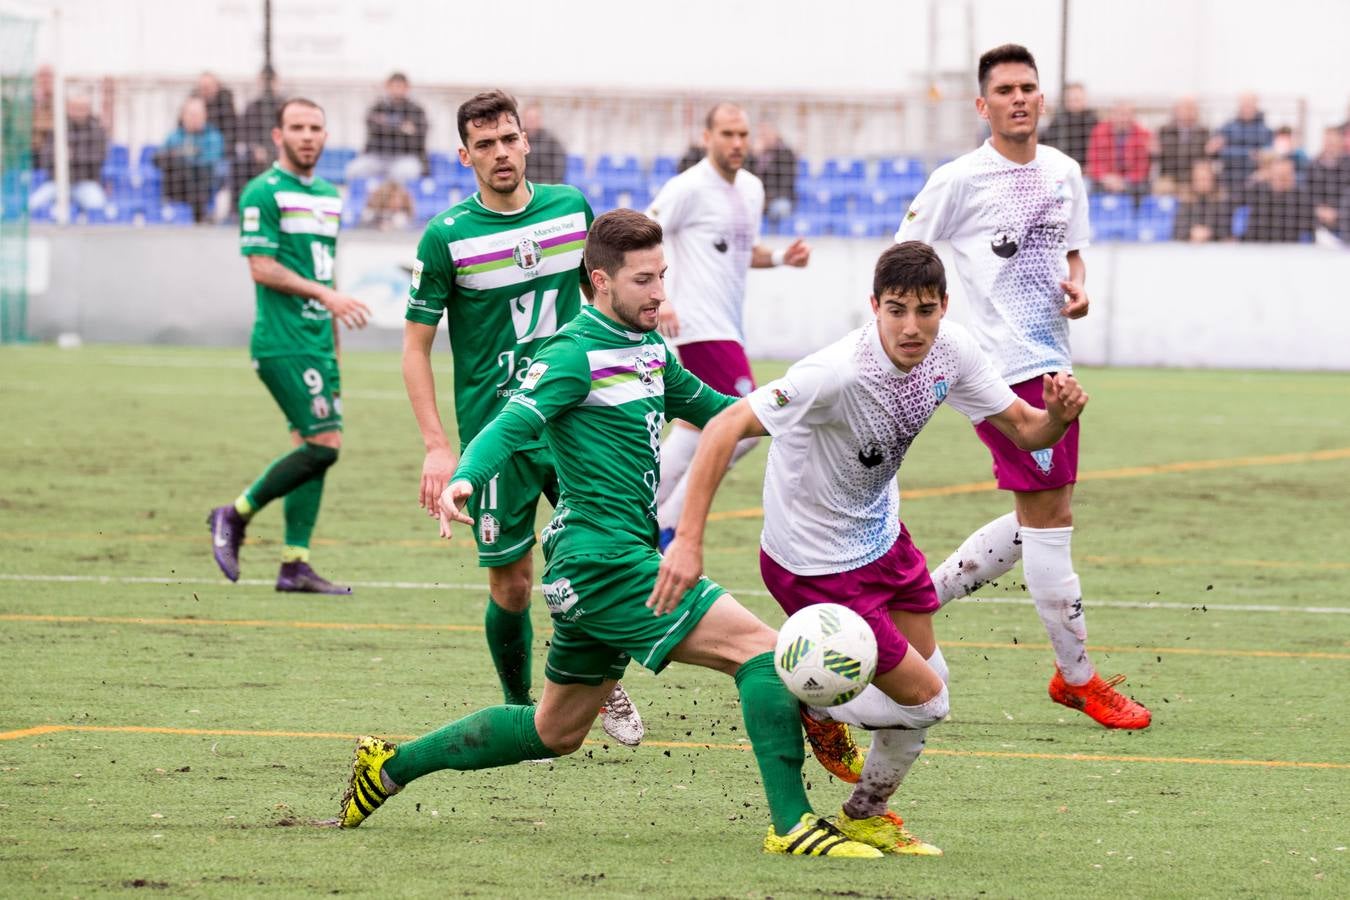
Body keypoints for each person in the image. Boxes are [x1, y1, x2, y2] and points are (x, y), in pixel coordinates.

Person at [333, 209, 880, 859]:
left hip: (595, 563)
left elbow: (724, 414)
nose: (659, 293)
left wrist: (817, 408)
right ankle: (792, 824)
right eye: (644, 280)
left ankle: (389, 767)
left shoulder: (648, 349)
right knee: (761, 654)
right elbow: (511, 424)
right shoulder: (573, 352)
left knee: (554, 731)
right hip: (604, 562)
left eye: (663, 277)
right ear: (600, 280)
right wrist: (464, 478)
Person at [656, 241, 1089, 855]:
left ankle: (864, 810)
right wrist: (689, 540)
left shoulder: (955, 350)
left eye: (924, 310)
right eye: (896, 310)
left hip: (882, 537)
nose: (911, 327)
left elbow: (1026, 429)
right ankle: (813, 699)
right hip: (812, 560)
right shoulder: (835, 372)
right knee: (928, 703)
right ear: (874, 307)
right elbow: (725, 426)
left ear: (944, 306)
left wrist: (1059, 418)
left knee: (927, 683)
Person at [895, 44, 1151, 730]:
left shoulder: (1065, 173)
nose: (1018, 98)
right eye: (1004, 89)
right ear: (983, 105)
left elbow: (1073, 255)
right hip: (993, 365)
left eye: (1028, 88)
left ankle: (916, 597)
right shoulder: (960, 179)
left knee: (1043, 512)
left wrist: (1081, 291)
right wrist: (923, 335)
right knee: (1051, 523)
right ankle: (1078, 678)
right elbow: (902, 258)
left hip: (1049, 359)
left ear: (1042, 100)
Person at [402, 90, 642, 743]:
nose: (500, 153)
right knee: (511, 585)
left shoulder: (571, 210)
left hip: (575, 421)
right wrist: (435, 445)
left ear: (525, 141)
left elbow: (604, 296)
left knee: (608, 552)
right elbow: (416, 345)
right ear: (464, 155)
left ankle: (600, 676)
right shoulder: (446, 238)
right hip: (498, 431)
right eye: (485, 145)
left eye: (508, 139)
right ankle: (523, 711)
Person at [206, 98, 371, 594]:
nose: (307, 135)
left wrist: (333, 340)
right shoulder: (262, 192)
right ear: (278, 136)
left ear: (325, 135)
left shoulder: (327, 195)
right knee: (325, 446)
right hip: (281, 342)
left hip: (317, 341)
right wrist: (326, 296)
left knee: (311, 446)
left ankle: (294, 563)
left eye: (316, 127)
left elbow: (326, 270)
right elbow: (261, 267)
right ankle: (233, 514)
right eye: (297, 127)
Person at [645, 102, 810, 550]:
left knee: (696, 428)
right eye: (727, 134)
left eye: (743, 135)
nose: (737, 143)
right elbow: (642, 235)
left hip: (728, 326)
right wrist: (661, 298)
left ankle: (633, 511)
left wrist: (780, 258)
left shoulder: (752, 189)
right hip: (698, 325)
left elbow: (741, 251)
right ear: (707, 137)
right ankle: (667, 524)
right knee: (746, 423)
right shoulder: (688, 187)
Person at [28, 90, 107, 214]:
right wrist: (60, 158)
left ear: (88, 109)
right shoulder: (56, 128)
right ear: (68, 108)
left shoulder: (97, 131)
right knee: (32, 205)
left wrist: (70, 156)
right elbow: (45, 158)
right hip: (56, 183)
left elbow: (97, 160)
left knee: (98, 207)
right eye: (75, 107)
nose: (78, 111)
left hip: (86, 182)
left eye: (82, 108)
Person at [345, 73, 427, 185]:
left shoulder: (416, 109)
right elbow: (373, 128)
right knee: (354, 170)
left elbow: (418, 136)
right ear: (387, 86)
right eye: (394, 86)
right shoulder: (377, 107)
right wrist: (401, 128)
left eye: (400, 86)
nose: (397, 90)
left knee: (406, 173)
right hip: (377, 156)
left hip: (404, 157)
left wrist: (386, 124)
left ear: (407, 88)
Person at [156, 96, 225, 222]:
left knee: (195, 172)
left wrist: (183, 158)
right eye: (190, 114)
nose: (194, 118)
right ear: (183, 116)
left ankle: (200, 218)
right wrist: (181, 158)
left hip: (203, 184)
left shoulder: (213, 136)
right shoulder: (174, 136)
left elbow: (210, 161)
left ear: (205, 116)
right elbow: (158, 157)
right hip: (176, 185)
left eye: (197, 114)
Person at [1085, 101, 1152, 202]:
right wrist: (1106, 178)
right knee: (1086, 187)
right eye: (1119, 114)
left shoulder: (1143, 134)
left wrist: (1125, 181)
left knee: (1144, 189)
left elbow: (1142, 166)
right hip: (1104, 179)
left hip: (1131, 181)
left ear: (1133, 117)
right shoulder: (1099, 132)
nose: (1123, 118)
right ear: (1112, 115)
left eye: (1127, 115)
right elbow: (1093, 162)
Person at [1208, 93, 1273, 193]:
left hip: (1254, 177)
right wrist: (1250, 153)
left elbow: (1268, 154)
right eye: (1244, 105)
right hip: (1228, 176)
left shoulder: (1265, 130)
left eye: (1250, 105)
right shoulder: (1227, 127)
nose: (1247, 109)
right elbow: (1213, 150)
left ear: (1256, 106)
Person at [1242, 155, 1314, 243]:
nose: (1283, 179)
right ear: (1271, 175)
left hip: (1290, 248)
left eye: (1287, 175)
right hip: (1258, 246)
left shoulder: (1301, 197)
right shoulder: (1258, 192)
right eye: (1279, 175)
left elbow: (1309, 227)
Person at [234, 69, 284, 195]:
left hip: (280, 153)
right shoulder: (252, 107)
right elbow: (243, 134)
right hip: (254, 158)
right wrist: (255, 148)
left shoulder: (285, 107)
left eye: (270, 81)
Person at [1154, 96, 1210, 195]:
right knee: (1162, 188)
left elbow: (1206, 160)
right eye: (1185, 108)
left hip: (1193, 179)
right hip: (1169, 177)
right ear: (1176, 111)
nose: (1188, 112)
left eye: (1192, 109)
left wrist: (1210, 152)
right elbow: (1157, 159)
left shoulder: (1204, 132)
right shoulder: (1164, 131)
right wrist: (1155, 153)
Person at [1173, 159, 1232, 242]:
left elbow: (1226, 230)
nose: (1202, 182)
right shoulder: (1185, 201)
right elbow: (1177, 231)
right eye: (1199, 178)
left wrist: (1209, 233)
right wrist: (1191, 232)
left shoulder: (1222, 200)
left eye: (1206, 178)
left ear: (1213, 179)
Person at [1039, 82, 1096, 168]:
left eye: (1077, 99)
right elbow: (1046, 141)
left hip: (1085, 168)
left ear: (1084, 99)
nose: (1074, 102)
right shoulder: (1058, 120)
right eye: (1071, 99)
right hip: (1059, 166)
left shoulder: (1092, 121)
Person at [1307, 125, 1350, 235]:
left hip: (1343, 215)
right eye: (1327, 141)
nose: (1330, 145)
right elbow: (1307, 191)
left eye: (1333, 142)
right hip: (1317, 215)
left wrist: (1338, 212)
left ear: (1341, 143)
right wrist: (1319, 209)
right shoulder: (1313, 164)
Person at [753, 121, 798, 223]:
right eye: (760, 135)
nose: (762, 138)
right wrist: (754, 157)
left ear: (775, 133)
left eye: (765, 134)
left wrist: (767, 200)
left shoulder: (786, 153)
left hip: (779, 198)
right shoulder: (755, 156)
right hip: (759, 198)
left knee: (780, 208)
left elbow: (785, 185)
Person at [521, 105, 566, 185]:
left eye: (534, 118)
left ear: (540, 120)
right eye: (529, 118)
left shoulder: (551, 140)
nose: (531, 121)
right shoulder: (517, 139)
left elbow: (559, 166)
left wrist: (550, 186)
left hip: (546, 185)